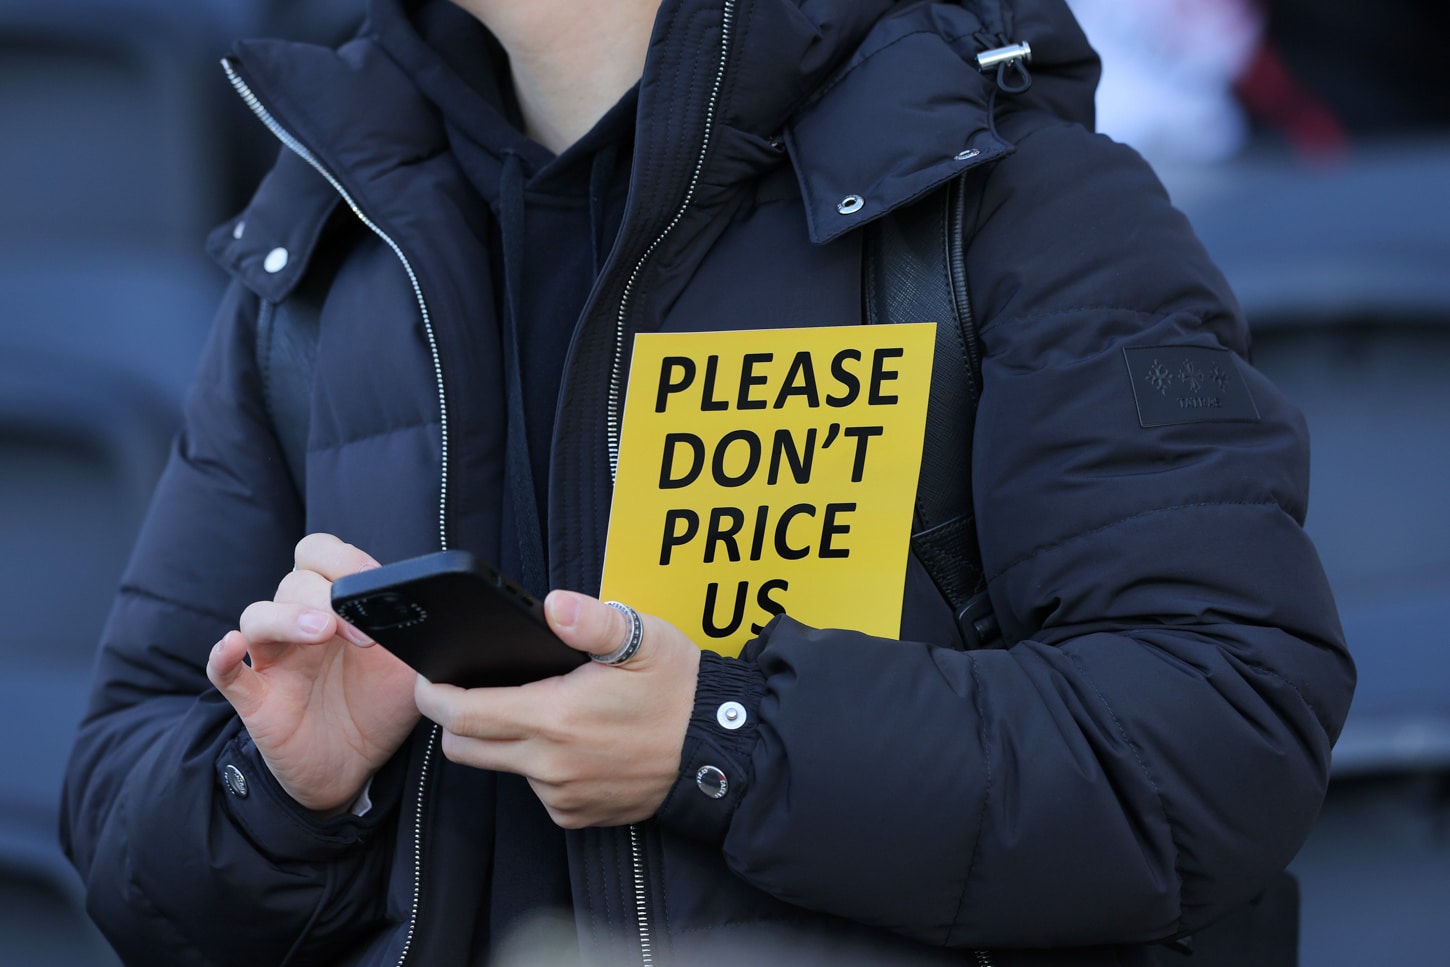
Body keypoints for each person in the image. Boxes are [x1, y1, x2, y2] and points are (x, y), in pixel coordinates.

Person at [60, 0, 1355, 964]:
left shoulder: (1016, 204)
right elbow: (123, 829)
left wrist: (729, 744)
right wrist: (287, 784)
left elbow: (1218, 736)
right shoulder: (333, 241)